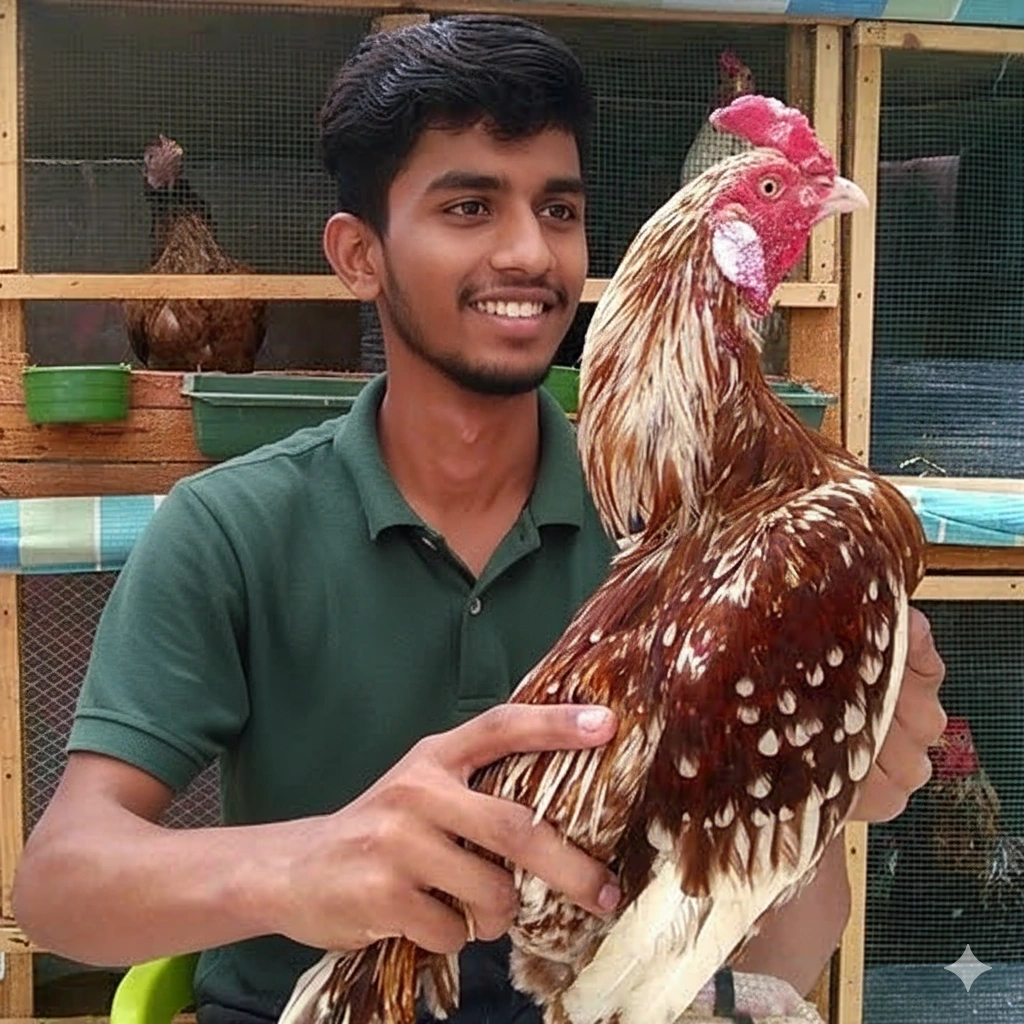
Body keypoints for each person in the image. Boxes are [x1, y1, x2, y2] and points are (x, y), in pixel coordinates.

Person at [13, 14, 947, 1024]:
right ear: (358, 257)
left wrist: (818, 775)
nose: (526, 252)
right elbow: (61, 887)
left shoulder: (694, 539)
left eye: (557, 209)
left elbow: (778, 950)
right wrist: (303, 862)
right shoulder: (233, 526)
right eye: (468, 207)